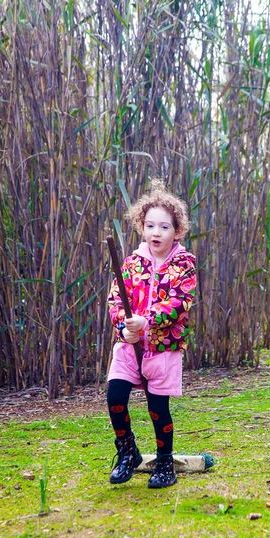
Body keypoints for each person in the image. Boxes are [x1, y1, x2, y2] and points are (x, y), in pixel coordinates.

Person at [106, 180, 197, 488]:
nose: (156, 233)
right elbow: (115, 299)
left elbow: (180, 303)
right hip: (129, 347)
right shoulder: (132, 264)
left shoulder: (184, 265)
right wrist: (123, 326)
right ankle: (128, 451)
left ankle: (164, 462)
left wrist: (146, 322)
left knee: (158, 409)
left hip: (163, 349)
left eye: (164, 227)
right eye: (150, 226)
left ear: (177, 231)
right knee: (115, 396)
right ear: (141, 228)